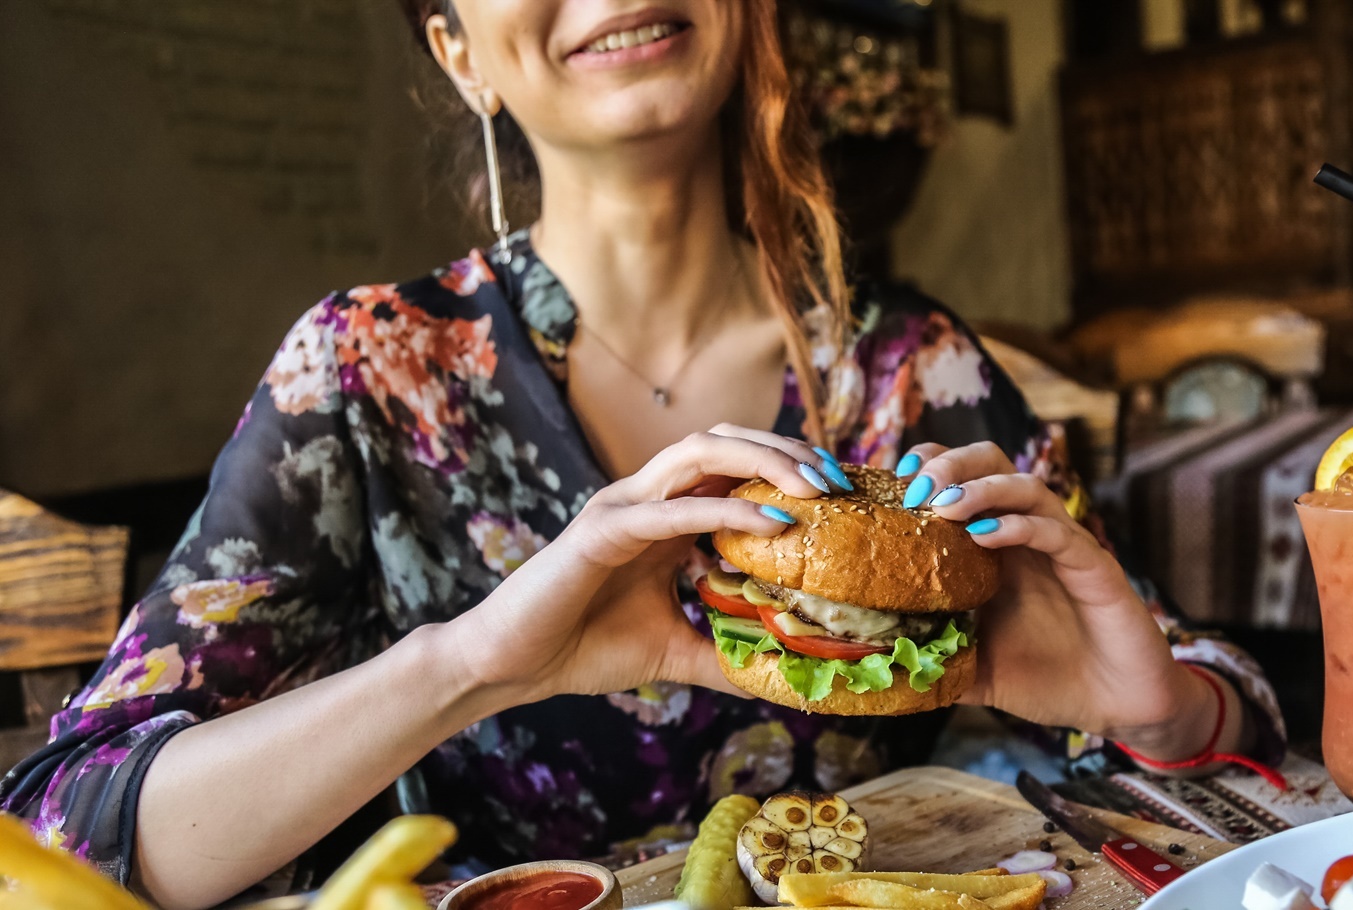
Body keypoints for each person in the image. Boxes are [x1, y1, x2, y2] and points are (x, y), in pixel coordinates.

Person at [0, 2, 1284, 908]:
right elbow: (67, 828)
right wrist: (467, 665)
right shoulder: (367, 370)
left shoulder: (910, 370)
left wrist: (1157, 704)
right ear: (459, 52)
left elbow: (1210, 703)